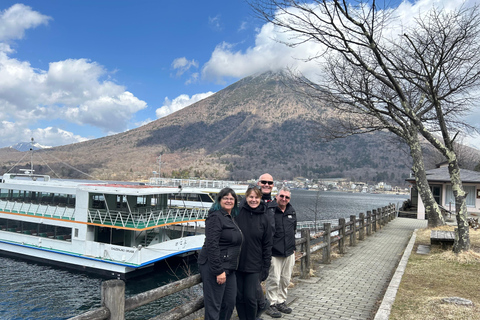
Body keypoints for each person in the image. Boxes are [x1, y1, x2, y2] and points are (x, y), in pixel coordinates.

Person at [198, 188, 243, 320]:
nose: (229, 200)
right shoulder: (215, 217)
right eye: (225, 198)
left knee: (229, 303)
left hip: (230, 267)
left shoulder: (231, 218)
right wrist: (218, 270)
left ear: (235, 201)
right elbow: (212, 244)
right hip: (215, 267)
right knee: (214, 307)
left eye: (231, 198)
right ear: (219, 200)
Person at [235, 186, 273, 320]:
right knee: (238, 297)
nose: (253, 200)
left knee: (250, 297)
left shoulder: (265, 218)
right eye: (251, 197)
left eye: (256, 197)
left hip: (254, 265)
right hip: (237, 264)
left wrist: (265, 267)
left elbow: (267, 245)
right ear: (246, 197)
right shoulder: (238, 213)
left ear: (260, 199)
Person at [265, 187, 297, 318]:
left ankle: (281, 301)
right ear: (276, 196)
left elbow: (293, 229)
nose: (284, 199)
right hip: (274, 253)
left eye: (287, 197)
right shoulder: (270, 210)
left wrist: (293, 247)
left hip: (289, 252)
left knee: (285, 279)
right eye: (282, 196)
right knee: (274, 279)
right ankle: (270, 304)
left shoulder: (291, 211)